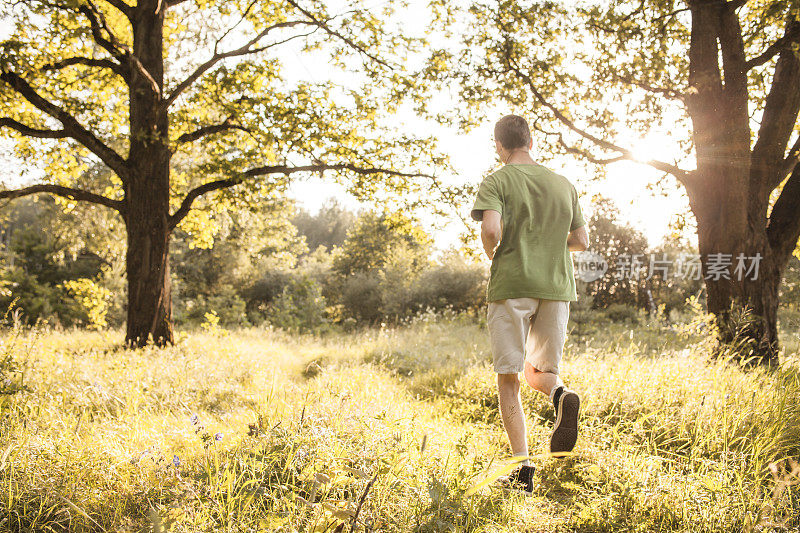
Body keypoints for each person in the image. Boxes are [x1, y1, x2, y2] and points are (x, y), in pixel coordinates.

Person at [470, 114, 590, 495]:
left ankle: (522, 471)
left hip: (513, 284)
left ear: (499, 145)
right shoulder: (563, 184)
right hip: (556, 286)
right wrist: (550, 242)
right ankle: (561, 395)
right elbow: (581, 240)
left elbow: (491, 230)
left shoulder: (497, 180)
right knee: (538, 370)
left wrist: (496, 253)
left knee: (509, 379)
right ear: (531, 140)